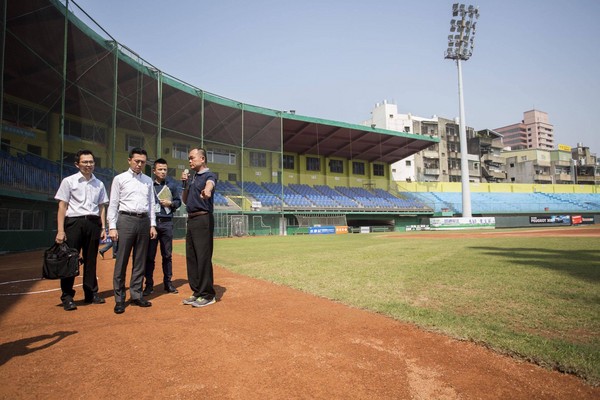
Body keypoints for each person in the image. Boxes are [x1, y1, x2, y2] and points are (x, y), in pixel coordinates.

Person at [54, 149, 109, 311]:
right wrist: (60, 230)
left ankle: (91, 293)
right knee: (70, 260)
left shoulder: (99, 183)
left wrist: (103, 227)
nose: (88, 165)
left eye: (91, 162)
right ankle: (67, 296)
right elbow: (62, 206)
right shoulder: (69, 181)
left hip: (93, 223)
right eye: (85, 162)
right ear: (77, 164)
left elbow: (101, 207)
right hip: (74, 223)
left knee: (91, 260)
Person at [107, 147, 157, 314]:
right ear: (129, 160)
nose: (139, 164)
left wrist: (152, 224)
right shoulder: (119, 179)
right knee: (121, 260)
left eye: (142, 162)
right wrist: (112, 227)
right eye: (137, 161)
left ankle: (136, 295)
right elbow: (113, 203)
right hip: (125, 219)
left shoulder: (148, 181)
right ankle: (119, 298)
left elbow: (151, 204)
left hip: (143, 220)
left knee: (140, 260)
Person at [181, 147, 217, 308]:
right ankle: (197, 292)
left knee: (203, 257)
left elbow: (210, 184)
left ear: (202, 159)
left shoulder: (209, 175)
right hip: (192, 219)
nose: (190, 161)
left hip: (203, 218)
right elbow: (184, 200)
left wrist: (207, 191)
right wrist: (185, 184)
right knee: (192, 257)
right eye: (189, 158)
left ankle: (208, 294)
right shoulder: (193, 177)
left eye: (192, 158)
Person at [143, 158, 181, 295]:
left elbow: (178, 202)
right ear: (154, 171)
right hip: (151, 224)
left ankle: (168, 284)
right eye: (160, 169)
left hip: (166, 223)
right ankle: (148, 285)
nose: (163, 172)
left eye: (165, 169)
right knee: (149, 256)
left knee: (167, 255)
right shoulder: (148, 184)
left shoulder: (172, 185)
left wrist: (170, 203)